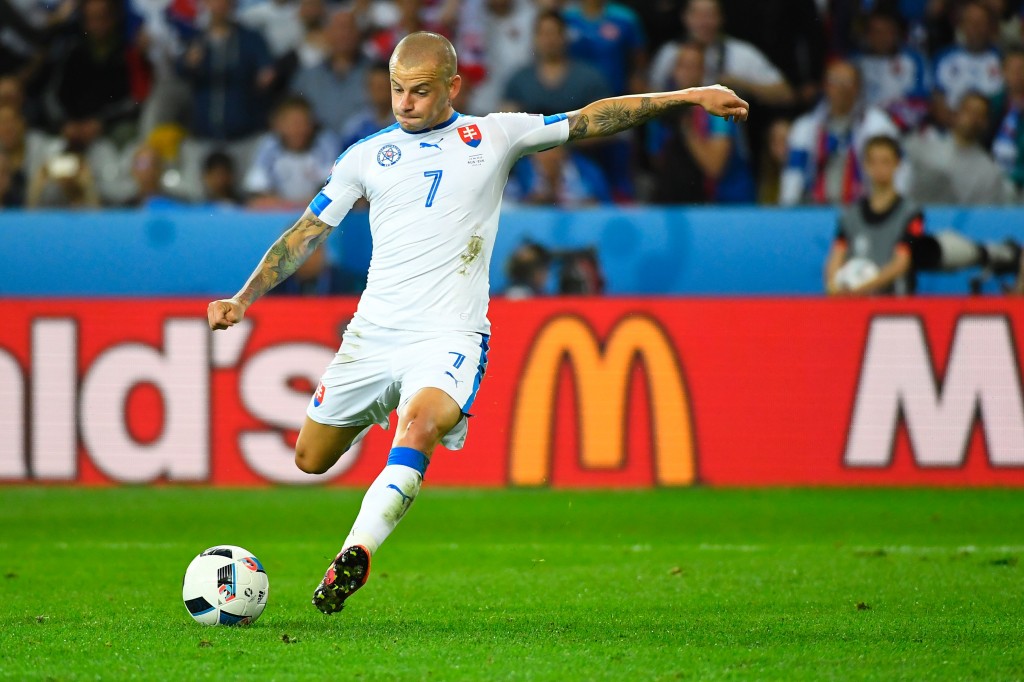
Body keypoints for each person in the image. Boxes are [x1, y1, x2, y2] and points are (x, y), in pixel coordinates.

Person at [206, 31, 748, 614]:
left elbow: (594, 119)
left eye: (419, 91)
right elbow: (305, 234)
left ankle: (355, 551)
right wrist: (244, 297)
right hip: (373, 334)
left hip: (449, 335)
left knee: (419, 427)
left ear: (452, 87)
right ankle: (385, 414)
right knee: (310, 458)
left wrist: (690, 95)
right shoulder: (364, 157)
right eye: (396, 89)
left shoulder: (494, 134)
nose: (405, 102)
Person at [781, 60, 900, 206]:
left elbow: (899, 169)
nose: (842, 88)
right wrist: (787, 210)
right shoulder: (805, 127)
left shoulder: (879, 125)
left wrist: (893, 207)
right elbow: (793, 174)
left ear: (858, 87)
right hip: (815, 208)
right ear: (825, 86)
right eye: (836, 81)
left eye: (848, 81)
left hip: (863, 210)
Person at [824, 135, 920, 297]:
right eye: (873, 162)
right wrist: (834, 284)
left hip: (893, 304)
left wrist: (862, 288)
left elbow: (902, 262)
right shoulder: (850, 215)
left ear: (897, 164)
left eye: (885, 161)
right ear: (865, 166)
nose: (879, 168)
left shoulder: (912, 214)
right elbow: (837, 254)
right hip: (854, 304)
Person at [905, 91, 1016, 204]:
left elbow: (984, 216)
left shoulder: (989, 172)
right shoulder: (921, 148)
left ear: (985, 123)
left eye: (979, 114)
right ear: (956, 114)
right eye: (968, 111)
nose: (972, 118)